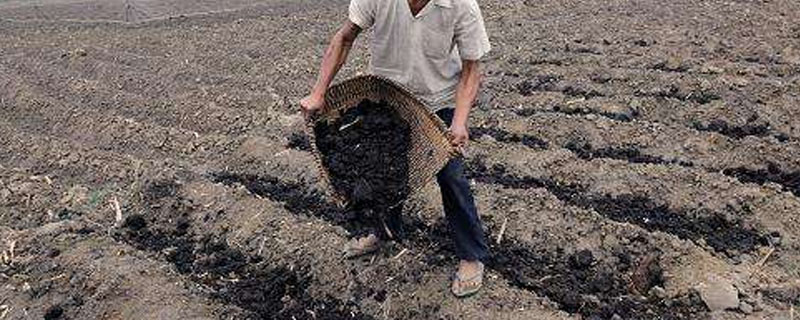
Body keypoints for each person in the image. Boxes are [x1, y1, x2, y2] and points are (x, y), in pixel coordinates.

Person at [300, 0, 491, 297]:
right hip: (388, 97)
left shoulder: (461, 5)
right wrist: (318, 91)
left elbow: (471, 69)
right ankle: (383, 231)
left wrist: (460, 122)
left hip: (437, 101)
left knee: (451, 177)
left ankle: (471, 255)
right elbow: (345, 37)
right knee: (381, 168)